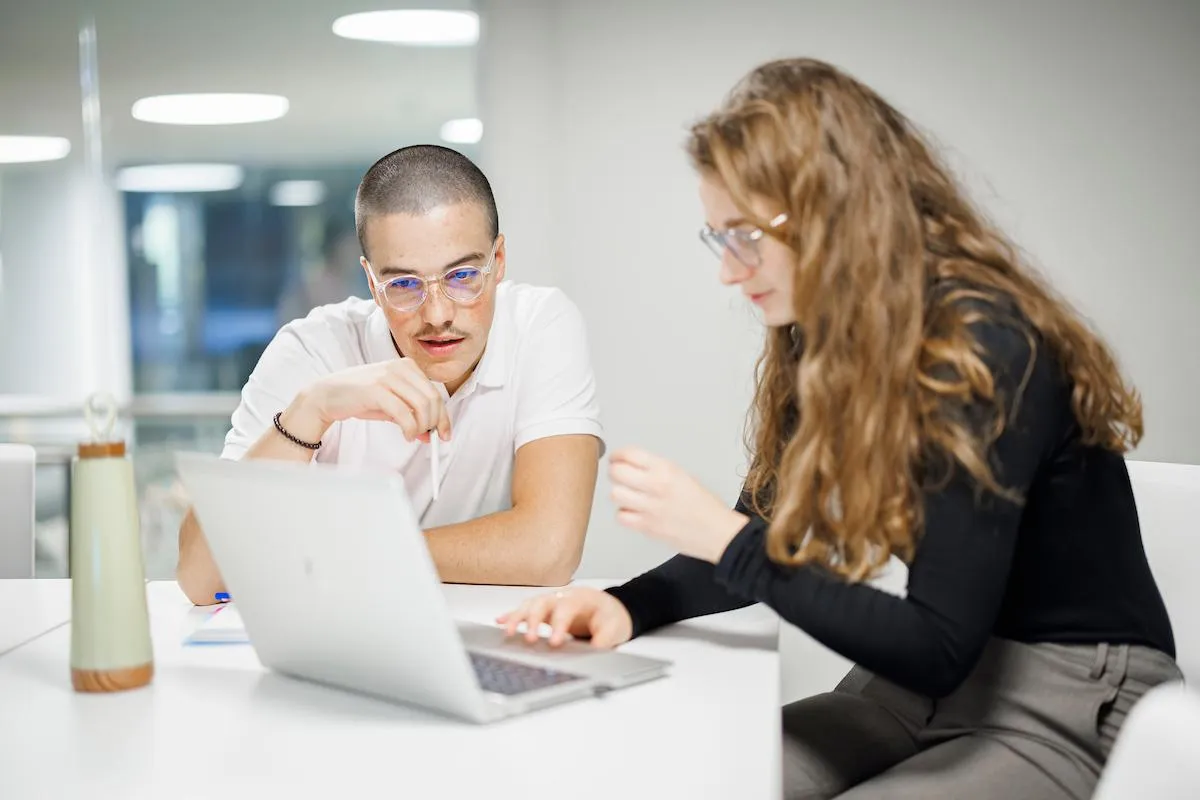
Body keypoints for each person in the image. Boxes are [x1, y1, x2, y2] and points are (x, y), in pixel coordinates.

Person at [498, 59, 1180, 799]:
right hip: (925, 685)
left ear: (834, 215)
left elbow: (933, 643)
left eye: (747, 237)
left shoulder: (985, 348)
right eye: (718, 238)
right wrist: (628, 604)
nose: (731, 272)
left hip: (1072, 698)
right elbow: (769, 528)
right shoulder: (830, 339)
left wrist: (725, 541)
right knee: (705, 779)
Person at [177, 145, 604, 605]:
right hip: (342, 629)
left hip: (484, 633)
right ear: (369, 281)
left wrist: (348, 552)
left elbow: (549, 549)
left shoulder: (539, 323)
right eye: (403, 284)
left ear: (498, 261)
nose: (438, 314)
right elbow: (201, 578)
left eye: (462, 276)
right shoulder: (312, 350)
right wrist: (310, 411)